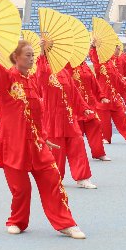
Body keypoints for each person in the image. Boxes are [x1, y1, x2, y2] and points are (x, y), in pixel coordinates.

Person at [0, 18, 85, 238]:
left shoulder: (33, 81)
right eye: (28, 55)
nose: (32, 59)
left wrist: (44, 135)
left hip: (38, 145)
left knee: (53, 181)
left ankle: (65, 223)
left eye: (33, 55)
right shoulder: (6, 81)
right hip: (14, 146)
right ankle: (17, 220)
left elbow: (37, 113)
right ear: (15, 57)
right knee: (21, 190)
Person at [35, 51, 97, 189]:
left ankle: (82, 177)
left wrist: (83, 108)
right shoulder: (45, 72)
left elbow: (75, 94)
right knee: (56, 151)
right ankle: (55, 177)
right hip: (53, 118)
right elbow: (40, 72)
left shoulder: (65, 72)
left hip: (69, 118)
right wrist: (43, 52)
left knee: (78, 145)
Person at [90, 46, 126, 145]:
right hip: (103, 98)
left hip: (114, 97)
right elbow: (95, 59)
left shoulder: (111, 63)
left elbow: (118, 79)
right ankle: (106, 138)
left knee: (122, 117)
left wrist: (125, 89)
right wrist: (93, 47)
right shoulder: (99, 65)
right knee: (105, 122)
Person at [69, 61, 109, 161]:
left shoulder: (85, 66)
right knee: (77, 134)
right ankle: (76, 156)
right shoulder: (67, 66)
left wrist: (101, 97)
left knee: (95, 125)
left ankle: (99, 153)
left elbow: (94, 82)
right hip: (75, 106)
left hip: (90, 104)